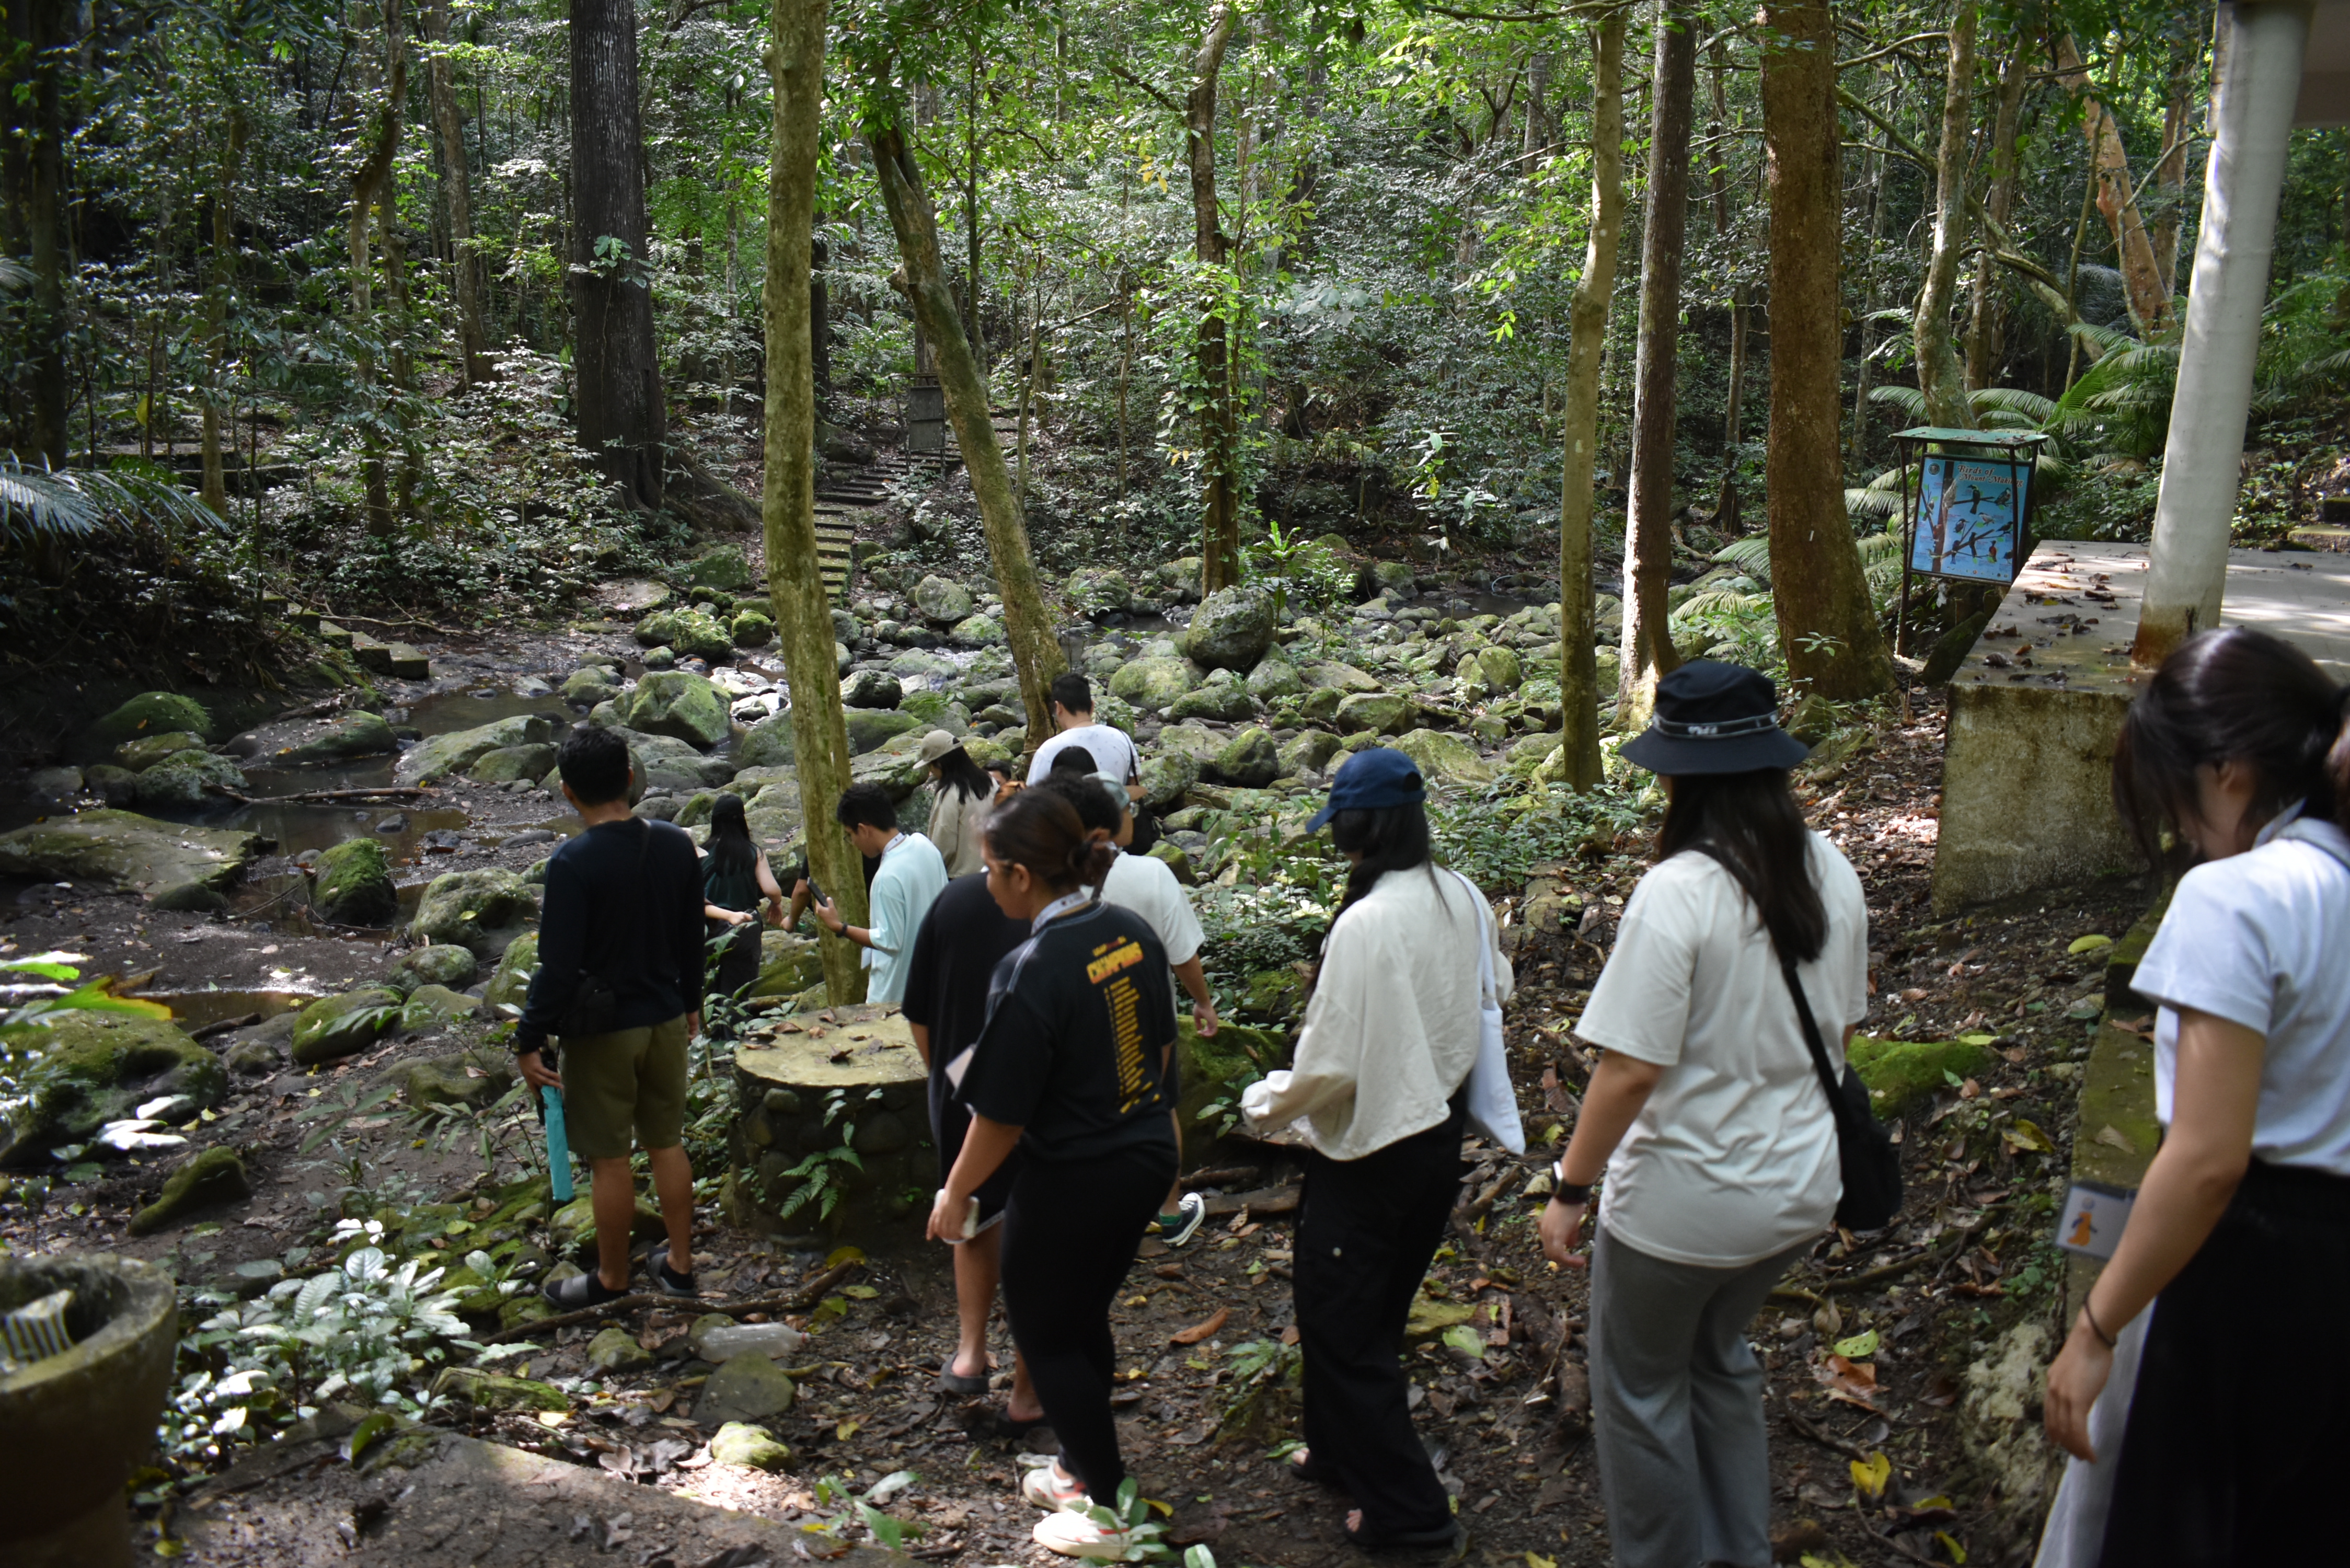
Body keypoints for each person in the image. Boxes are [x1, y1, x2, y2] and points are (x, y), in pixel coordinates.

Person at [1533, 661, 1864, 1568]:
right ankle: (1737, 1551)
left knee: (1639, 1391)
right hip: (1799, 1194)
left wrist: (1569, 1188)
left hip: (1684, 1209)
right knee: (1719, 1360)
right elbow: (1841, 1031)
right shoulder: (1831, 869)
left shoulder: (1677, 892)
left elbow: (1630, 1070)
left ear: (1678, 775)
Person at [2037, 627, 2350, 1567]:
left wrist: (2095, 1329)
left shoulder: (2240, 898)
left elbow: (2209, 1159)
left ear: (2225, 771)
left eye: (2173, 792)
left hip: (2249, 1285)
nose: (2177, 825)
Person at [1240, 748, 1507, 1553]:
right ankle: (1334, 1450)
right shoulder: (1458, 892)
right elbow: (1496, 988)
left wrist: (1263, 1104)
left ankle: (1413, 1515)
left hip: (1372, 1151)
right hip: (1437, 1135)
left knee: (1341, 1326)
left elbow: (1330, 1064)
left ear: (1356, 831)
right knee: (1371, 1310)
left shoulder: (1367, 923)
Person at [929, 788, 1180, 1557]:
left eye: (988, 869)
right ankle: (1080, 1466)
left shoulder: (1029, 965)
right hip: (1142, 1156)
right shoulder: (1128, 930)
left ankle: (1109, 1512)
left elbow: (1000, 1117)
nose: (984, 881)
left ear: (1016, 875)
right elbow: (1163, 1049)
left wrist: (957, 1191)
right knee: (1083, 1316)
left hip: (1075, 1173)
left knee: (1045, 1332)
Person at [514, 727, 707, 1306]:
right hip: (667, 1017)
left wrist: (528, 1038)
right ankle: (678, 1264)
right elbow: (690, 935)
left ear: (569, 793)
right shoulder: (675, 844)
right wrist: (691, 1000)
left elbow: (557, 965)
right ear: (630, 778)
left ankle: (613, 1278)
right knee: (667, 1142)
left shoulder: (572, 862)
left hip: (604, 1033)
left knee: (610, 1159)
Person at [1039, 770, 1219, 1246]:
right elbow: (1183, 955)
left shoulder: (1052, 879)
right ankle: (1169, 1212)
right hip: (1144, 1018)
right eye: (1127, 810)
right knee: (1159, 1108)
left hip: (1076, 1018)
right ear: (1113, 822)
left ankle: (1099, 1213)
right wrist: (1202, 1002)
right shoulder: (1151, 874)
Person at [901, 859, 1039, 1427]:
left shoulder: (952, 901)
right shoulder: (1066, 913)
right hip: (1042, 1095)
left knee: (972, 1210)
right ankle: (1027, 1389)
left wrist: (942, 1078)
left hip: (960, 1085)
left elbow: (919, 1013)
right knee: (1036, 1231)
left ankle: (970, 1353)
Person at [812, 783, 948, 1007]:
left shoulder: (886, 878)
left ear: (864, 829)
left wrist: (839, 927)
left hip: (894, 993)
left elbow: (889, 941)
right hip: (932, 983)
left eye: (850, 835)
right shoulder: (925, 846)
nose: (852, 843)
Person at [699, 792, 784, 1022]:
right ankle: (737, 1040)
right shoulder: (752, 851)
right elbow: (771, 889)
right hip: (745, 926)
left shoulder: (702, 852)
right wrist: (776, 904)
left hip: (710, 926)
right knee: (738, 992)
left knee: (709, 988)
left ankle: (712, 1042)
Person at [1025, 673, 1141, 791]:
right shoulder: (1122, 738)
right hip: (1116, 808)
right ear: (1092, 706)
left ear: (1058, 708)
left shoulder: (1048, 750)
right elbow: (1134, 785)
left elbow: (1033, 799)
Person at [921, 729, 994, 877]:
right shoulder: (990, 782)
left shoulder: (950, 794)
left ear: (940, 764)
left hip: (963, 878)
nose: (931, 771)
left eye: (931, 765)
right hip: (994, 870)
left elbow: (944, 845)